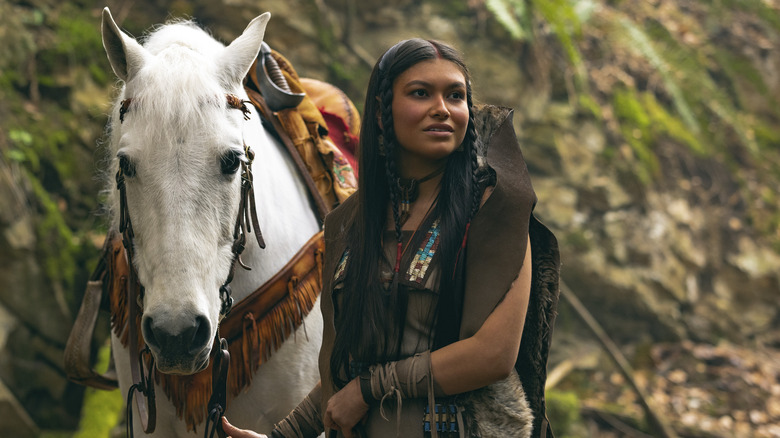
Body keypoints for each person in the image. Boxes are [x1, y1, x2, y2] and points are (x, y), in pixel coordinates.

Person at [223, 38, 560, 438]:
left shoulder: (495, 208)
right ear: (383, 113)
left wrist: (370, 390)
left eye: (456, 95)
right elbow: (344, 371)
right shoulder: (348, 223)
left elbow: (493, 354)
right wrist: (286, 435)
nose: (442, 108)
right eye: (421, 93)